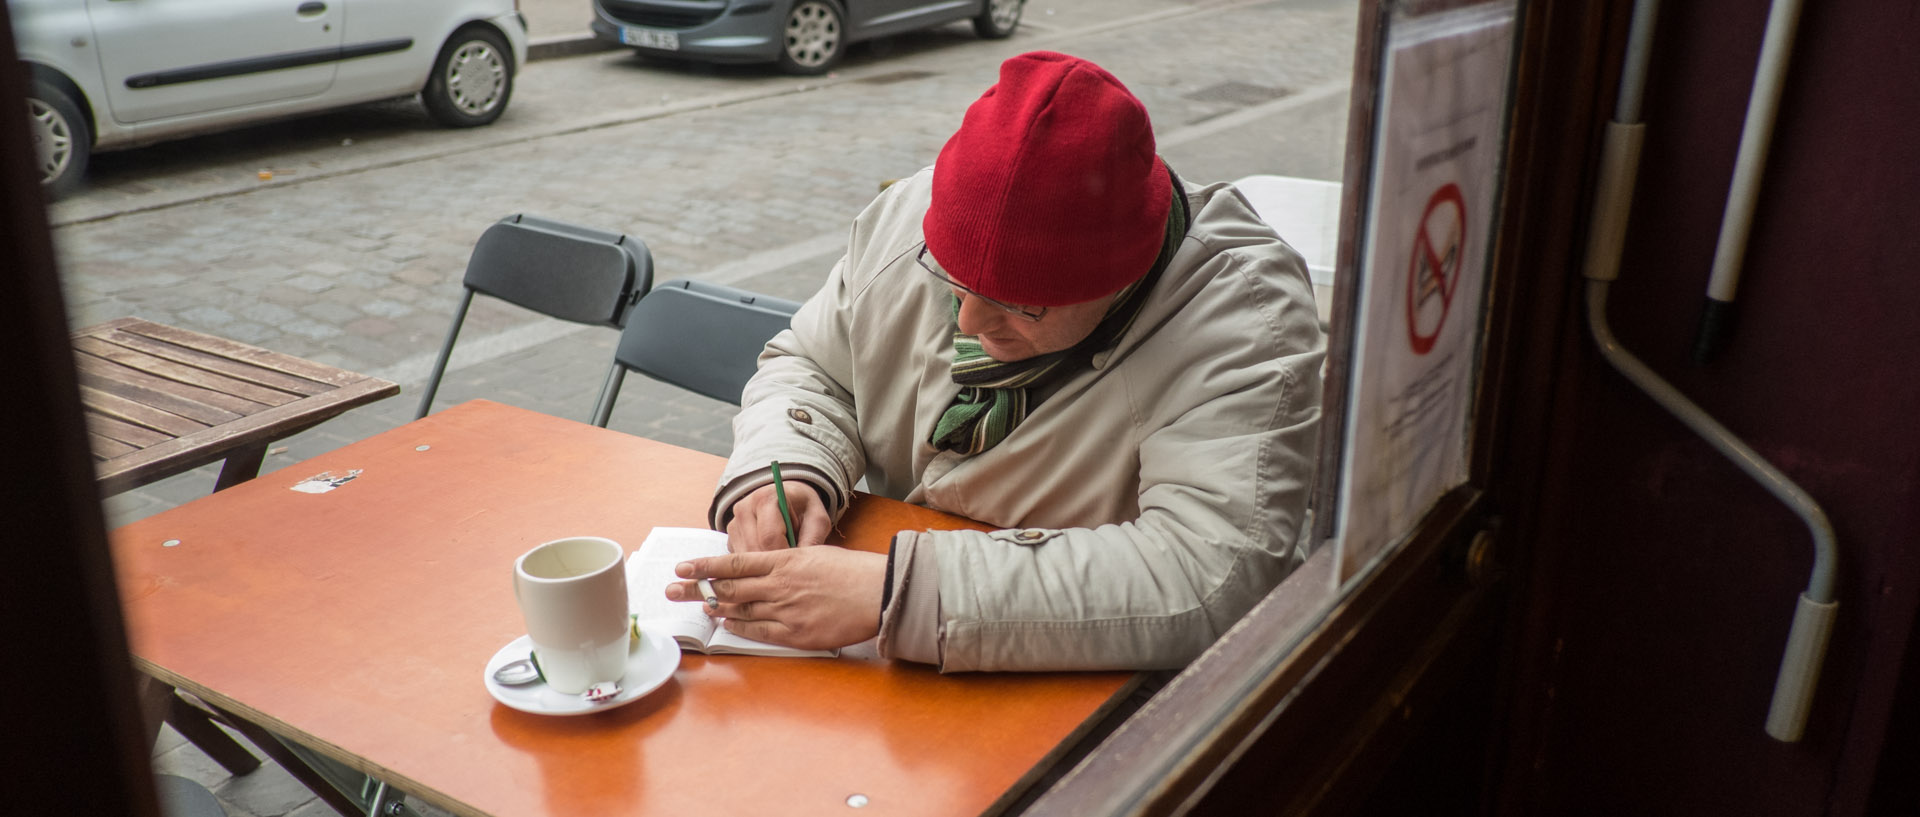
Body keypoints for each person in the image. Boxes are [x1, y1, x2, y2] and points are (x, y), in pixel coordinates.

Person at [664, 51, 1325, 672]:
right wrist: (785, 466)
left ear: (1122, 279)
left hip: (1086, 688)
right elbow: (812, 364)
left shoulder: (1246, 320)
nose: (970, 325)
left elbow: (1212, 570)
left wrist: (903, 592)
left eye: (1019, 306)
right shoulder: (916, 219)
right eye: (952, 284)